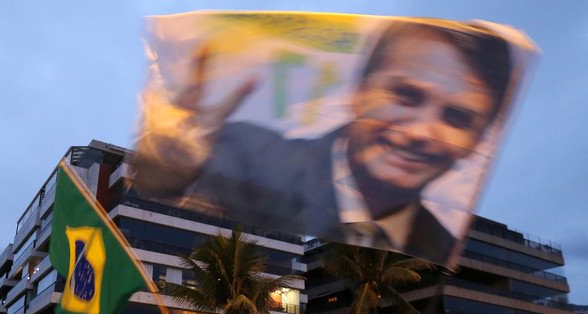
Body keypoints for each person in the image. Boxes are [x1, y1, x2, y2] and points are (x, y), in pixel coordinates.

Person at [131, 21, 513, 266]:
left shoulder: (439, 245)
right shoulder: (253, 156)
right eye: (405, 95)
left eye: (457, 118)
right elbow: (162, 184)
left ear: (477, 141)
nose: (420, 133)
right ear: (358, 94)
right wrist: (170, 161)